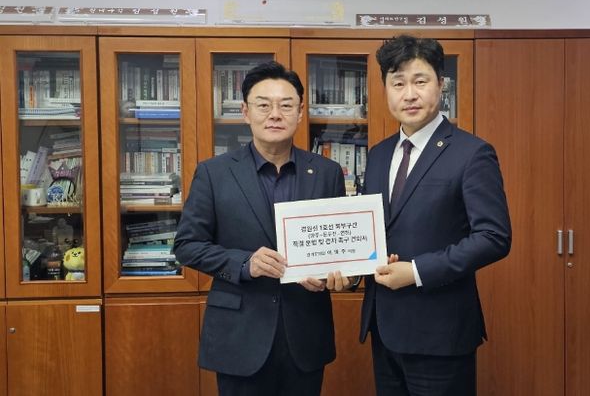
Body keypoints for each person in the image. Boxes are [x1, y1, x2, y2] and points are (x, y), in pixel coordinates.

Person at [174, 61, 352, 396]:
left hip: (305, 333)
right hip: (239, 335)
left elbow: (340, 246)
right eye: (263, 105)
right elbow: (187, 245)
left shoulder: (327, 172)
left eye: (286, 105)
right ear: (245, 112)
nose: (275, 115)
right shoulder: (214, 173)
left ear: (300, 112)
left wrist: (339, 275)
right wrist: (245, 263)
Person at [359, 35, 512, 396]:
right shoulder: (378, 155)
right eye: (398, 83)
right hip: (384, 328)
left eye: (420, 81)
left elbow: (493, 237)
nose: (409, 94)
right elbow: (371, 232)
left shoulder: (471, 153)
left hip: (441, 333)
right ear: (385, 89)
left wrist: (416, 271)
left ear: (441, 85)